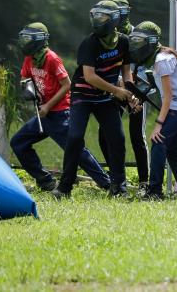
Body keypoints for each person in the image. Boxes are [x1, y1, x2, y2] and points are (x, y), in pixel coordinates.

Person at [52, 1, 139, 199]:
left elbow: (126, 72)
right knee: (74, 138)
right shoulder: (89, 43)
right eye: (95, 17)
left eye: (103, 17)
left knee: (117, 139)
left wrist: (130, 95)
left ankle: (118, 188)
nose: (97, 21)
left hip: (105, 98)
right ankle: (64, 187)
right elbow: (90, 77)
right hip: (83, 96)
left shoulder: (124, 42)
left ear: (115, 20)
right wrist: (117, 91)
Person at [11, 22, 110, 191]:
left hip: (60, 114)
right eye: (24, 38)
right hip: (43, 115)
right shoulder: (29, 59)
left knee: (77, 152)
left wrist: (48, 106)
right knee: (19, 142)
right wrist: (28, 91)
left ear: (39, 40)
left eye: (29, 39)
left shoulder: (52, 58)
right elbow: (25, 79)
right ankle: (45, 181)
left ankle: (107, 184)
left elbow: (67, 85)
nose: (25, 42)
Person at [127, 21, 177, 199]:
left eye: (140, 41)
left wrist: (158, 124)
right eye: (134, 40)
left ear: (151, 41)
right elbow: (156, 88)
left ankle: (154, 192)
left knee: (159, 142)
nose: (136, 45)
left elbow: (168, 96)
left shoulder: (162, 60)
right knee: (172, 147)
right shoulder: (156, 58)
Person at [97, 0, 149, 190]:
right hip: (113, 91)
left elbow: (146, 65)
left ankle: (144, 181)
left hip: (136, 91)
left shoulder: (138, 35)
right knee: (105, 135)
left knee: (137, 136)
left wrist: (134, 89)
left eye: (122, 11)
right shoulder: (105, 37)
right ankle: (116, 178)